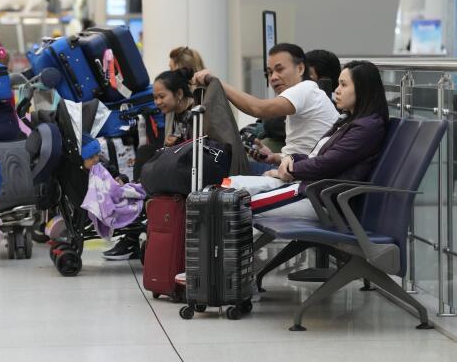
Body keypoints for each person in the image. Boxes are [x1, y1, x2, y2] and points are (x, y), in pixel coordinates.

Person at [226, 60, 389, 220]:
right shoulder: (348, 121)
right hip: (308, 188)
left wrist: (289, 170)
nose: (337, 91)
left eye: (344, 85)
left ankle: (222, 246)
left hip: (320, 198)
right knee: (229, 184)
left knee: (233, 203)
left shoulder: (366, 128)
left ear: (362, 89)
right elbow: (318, 159)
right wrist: (291, 159)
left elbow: (327, 164)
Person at [194, 43, 340, 175]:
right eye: (269, 72)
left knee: (219, 175)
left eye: (279, 69)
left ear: (301, 68)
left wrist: (217, 83)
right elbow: (304, 151)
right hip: (298, 171)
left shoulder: (305, 89)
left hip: (304, 180)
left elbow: (258, 108)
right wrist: (273, 157)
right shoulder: (305, 93)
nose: (273, 77)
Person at [103, 68, 197, 261]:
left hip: (191, 172)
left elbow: (198, 147)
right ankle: (138, 199)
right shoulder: (173, 113)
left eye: (161, 96)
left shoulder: (196, 113)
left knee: (149, 155)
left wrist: (175, 145)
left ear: (179, 93)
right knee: (147, 152)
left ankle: (136, 208)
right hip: (178, 165)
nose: (157, 102)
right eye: (155, 97)